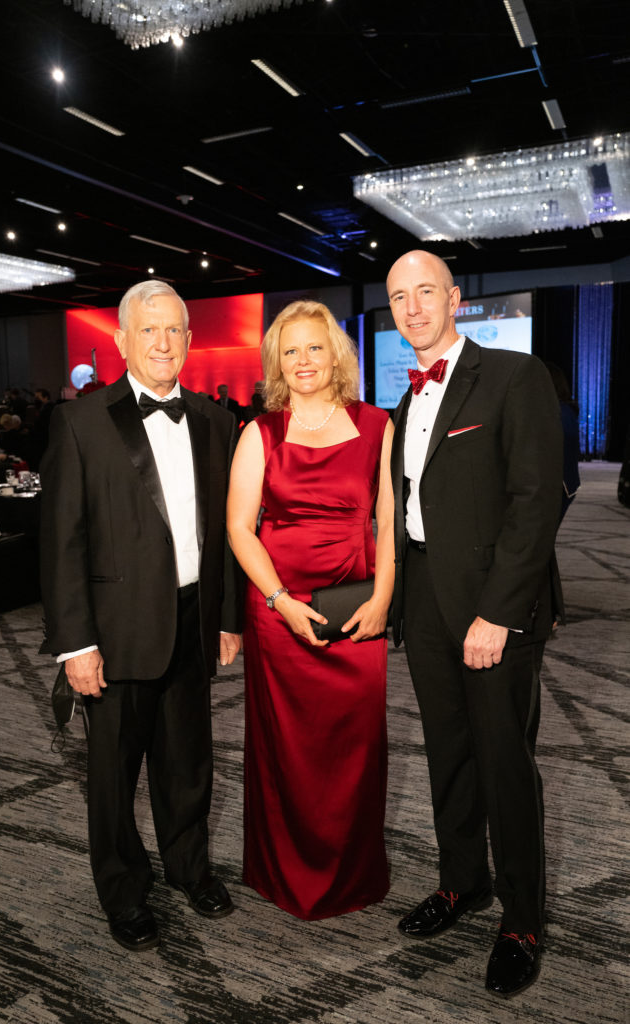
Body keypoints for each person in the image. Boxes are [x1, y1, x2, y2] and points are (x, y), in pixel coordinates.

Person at [39, 280, 243, 953]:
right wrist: (75, 645)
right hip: (115, 629)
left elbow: (229, 535)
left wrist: (227, 617)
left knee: (188, 761)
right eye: (148, 330)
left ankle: (189, 869)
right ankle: (124, 890)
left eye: (175, 330)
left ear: (189, 339)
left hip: (193, 617)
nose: (163, 342)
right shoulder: (80, 422)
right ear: (122, 340)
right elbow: (62, 543)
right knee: (113, 773)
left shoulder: (216, 420)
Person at [387, 250, 563, 998]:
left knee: (504, 764)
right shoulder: (404, 402)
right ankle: (464, 882)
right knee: (448, 754)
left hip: (495, 607)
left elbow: (537, 500)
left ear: (455, 300)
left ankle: (522, 919)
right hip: (426, 600)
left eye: (426, 292)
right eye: (399, 297)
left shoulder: (513, 377)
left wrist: (497, 612)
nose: (413, 307)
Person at [226, 300, 394, 920]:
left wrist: (383, 598)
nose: (302, 361)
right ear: (276, 362)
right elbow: (241, 529)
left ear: (336, 356)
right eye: (289, 350)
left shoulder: (378, 426)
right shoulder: (259, 432)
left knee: (354, 751)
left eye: (313, 348)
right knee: (287, 752)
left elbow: (387, 520)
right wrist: (281, 603)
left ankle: (353, 873)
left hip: (358, 611)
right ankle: (283, 872)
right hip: (279, 613)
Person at [544, 362, 581, 521]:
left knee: (541, 538)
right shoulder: (564, 411)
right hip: (563, 484)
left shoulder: (558, 414)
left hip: (556, 485)